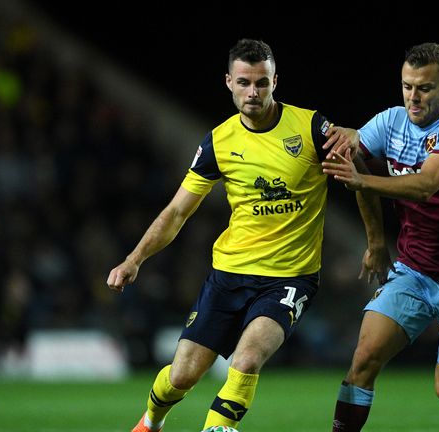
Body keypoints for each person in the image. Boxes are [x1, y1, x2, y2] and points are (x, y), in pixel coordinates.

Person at [107, 38, 335, 432]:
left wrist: (378, 243)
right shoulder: (219, 141)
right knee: (182, 375)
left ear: (275, 81)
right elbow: (177, 211)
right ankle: (150, 423)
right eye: (244, 82)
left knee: (246, 360)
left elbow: (359, 175)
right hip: (229, 274)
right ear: (228, 82)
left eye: (261, 83)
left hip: (289, 277)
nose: (253, 92)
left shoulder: (311, 127)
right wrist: (134, 259)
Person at [321, 42, 439, 432]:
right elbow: (355, 148)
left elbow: (425, 186)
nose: (413, 97)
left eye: (424, 88)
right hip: (415, 271)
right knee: (364, 359)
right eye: (407, 86)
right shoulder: (390, 121)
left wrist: (360, 178)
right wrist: (375, 243)